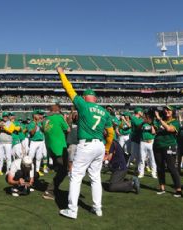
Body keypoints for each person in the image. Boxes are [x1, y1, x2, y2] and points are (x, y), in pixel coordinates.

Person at [57, 67, 114, 219]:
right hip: (100, 146)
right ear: (95, 99)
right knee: (95, 178)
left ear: (85, 97)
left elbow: (68, 88)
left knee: (76, 176)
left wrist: (62, 73)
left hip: (86, 144)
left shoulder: (82, 105)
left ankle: (72, 210)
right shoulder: (105, 112)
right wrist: (107, 149)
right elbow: (111, 133)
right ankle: (98, 208)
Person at [42, 103, 70, 200]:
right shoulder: (59, 117)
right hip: (59, 148)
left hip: (50, 148)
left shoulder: (45, 120)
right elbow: (68, 129)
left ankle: (52, 189)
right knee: (64, 170)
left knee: (61, 170)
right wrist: (65, 119)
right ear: (58, 110)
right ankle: (50, 191)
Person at [153, 105, 182, 197]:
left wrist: (159, 119)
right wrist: (152, 122)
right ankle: (162, 188)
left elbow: (169, 129)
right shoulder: (161, 121)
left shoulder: (176, 122)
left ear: (173, 111)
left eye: (169, 110)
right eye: (165, 110)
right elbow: (153, 132)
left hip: (169, 146)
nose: (166, 111)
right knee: (160, 167)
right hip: (157, 146)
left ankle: (178, 189)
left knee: (171, 167)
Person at [138, 111, 157, 178]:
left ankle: (154, 172)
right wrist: (143, 122)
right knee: (142, 158)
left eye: (147, 117)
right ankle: (141, 172)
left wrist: (151, 124)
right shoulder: (142, 123)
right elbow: (138, 129)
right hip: (143, 142)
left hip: (151, 142)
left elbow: (154, 132)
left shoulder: (153, 123)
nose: (146, 118)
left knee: (152, 158)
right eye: (146, 117)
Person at [28, 110, 46, 176]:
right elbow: (32, 133)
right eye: (37, 115)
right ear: (34, 116)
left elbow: (44, 131)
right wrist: (36, 124)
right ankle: (29, 170)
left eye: (39, 115)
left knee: (39, 157)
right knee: (31, 157)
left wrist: (41, 125)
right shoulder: (31, 124)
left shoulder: (40, 123)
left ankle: (37, 171)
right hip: (34, 142)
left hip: (41, 141)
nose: (39, 116)